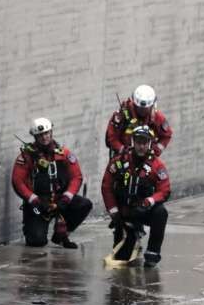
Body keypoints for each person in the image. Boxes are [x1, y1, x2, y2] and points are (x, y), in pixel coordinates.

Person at [12, 117, 92, 248]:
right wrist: (34, 200)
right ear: (35, 137)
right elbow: (17, 181)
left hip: (60, 200)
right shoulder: (27, 156)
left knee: (84, 204)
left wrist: (66, 198)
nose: (44, 137)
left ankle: (61, 234)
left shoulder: (64, 154)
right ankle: (35, 228)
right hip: (38, 205)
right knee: (36, 242)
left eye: (47, 133)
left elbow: (76, 177)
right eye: (40, 135)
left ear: (51, 133)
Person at [101, 125, 171, 267]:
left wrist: (149, 201)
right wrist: (114, 212)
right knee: (123, 257)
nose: (141, 146)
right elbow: (106, 187)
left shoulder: (156, 165)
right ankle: (131, 236)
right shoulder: (118, 161)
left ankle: (152, 253)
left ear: (149, 144)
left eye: (145, 142)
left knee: (161, 212)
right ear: (132, 142)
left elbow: (165, 190)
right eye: (138, 142)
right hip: (123, 213)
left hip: (143, 210)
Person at [105, 84, 172, 158]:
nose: (142, 111)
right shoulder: (123, 115)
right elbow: (111, 137)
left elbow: (167, 135)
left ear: (152, 106)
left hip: (146, 159)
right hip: (123, 158)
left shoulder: (157, 117)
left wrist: (156, 150)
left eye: (146, 108)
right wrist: (122, 150)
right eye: (140, 108)